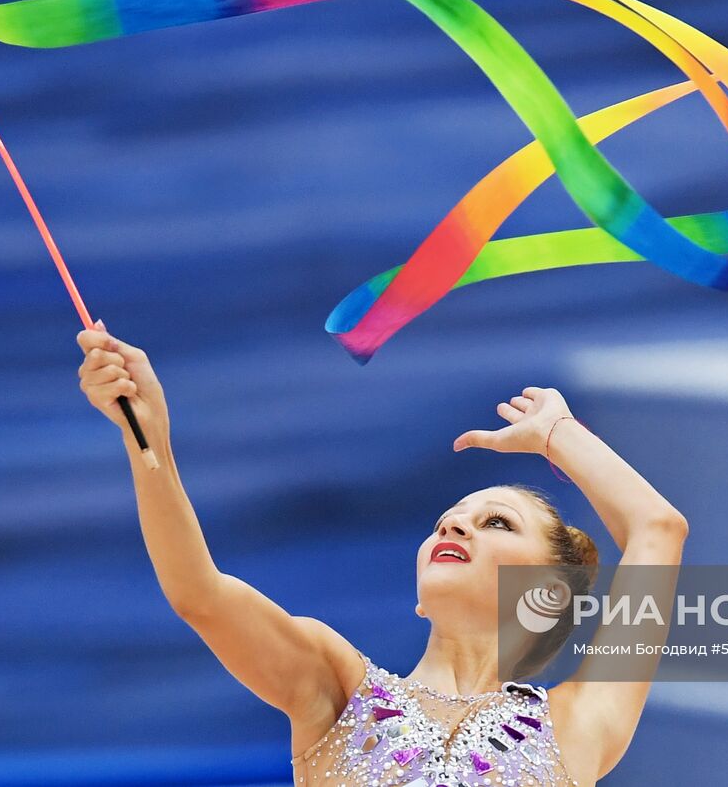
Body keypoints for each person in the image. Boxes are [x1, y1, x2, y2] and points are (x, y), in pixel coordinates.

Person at [76, 321, 688, 785]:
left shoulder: (576, 726)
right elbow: (198, 593)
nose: (455, 528)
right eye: (446, 523)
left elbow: (657, 528)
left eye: (495, 522)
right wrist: (147, 436)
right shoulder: (337, 686)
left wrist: (556, 433)